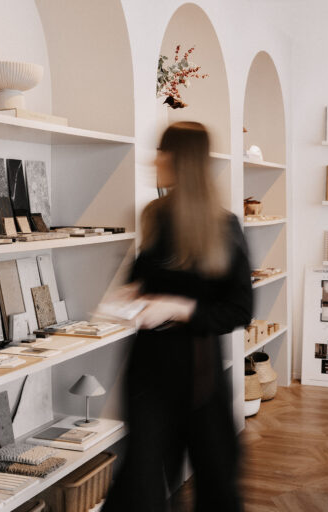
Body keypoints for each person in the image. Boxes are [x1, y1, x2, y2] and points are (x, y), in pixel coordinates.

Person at [102, 122, 252, 512]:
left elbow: (239, 309)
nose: (154, 160)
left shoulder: (224, 226)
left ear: (181, 161)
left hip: (199, 376)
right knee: (141, 485)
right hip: (148, 375)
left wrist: (178, 308)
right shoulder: (155, 215)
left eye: (162, 152)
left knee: (217, 481)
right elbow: (142, 280)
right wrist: (128, 297)